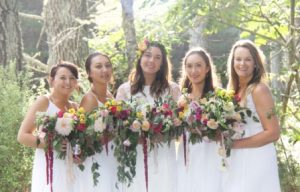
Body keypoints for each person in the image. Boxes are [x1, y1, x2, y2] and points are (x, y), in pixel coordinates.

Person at [116, 40, 181, 192]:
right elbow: (117, 126)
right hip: (135, 153)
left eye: (158, 57)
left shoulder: (172, 89)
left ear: (162, 63)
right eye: (148, 55)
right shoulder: (125, 90)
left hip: (163, 152)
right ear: (140, 58)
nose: (152, 61)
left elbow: (180, 125)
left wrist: (163, 132)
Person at [222, 39, 280, 192]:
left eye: (248, 59)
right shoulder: (232, 91)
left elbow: (273, 133)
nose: (242, 63)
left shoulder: (259, 90)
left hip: (257, 157)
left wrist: (234, 144)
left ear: (256, 63)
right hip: (237, 158)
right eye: (238, 59)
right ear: (232, 62)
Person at [17, 62, 79, 192]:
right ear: (51, 80)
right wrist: (51, 143)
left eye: (72, 78)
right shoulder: (44, 102)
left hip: (72, 167)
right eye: (62, 77)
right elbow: (22, 136)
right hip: (50, 165)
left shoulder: (75, 107)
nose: (68, 82)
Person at [176, 47, 222, 192]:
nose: (193, 71)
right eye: (189, 66)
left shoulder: (218, 97)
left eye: (198, 65)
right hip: (187, 155)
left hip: (210, 154)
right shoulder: (182, 99)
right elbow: (178, 135)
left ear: (207, 68)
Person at [76, 52, 118, 191]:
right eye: (98, 66)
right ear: (89, 73)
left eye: (107, 65)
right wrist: (111, 134)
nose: (105, 70)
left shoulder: (110, 96)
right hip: (97, 161)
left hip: (112, 157)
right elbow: (80, 139)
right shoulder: (89, 100)